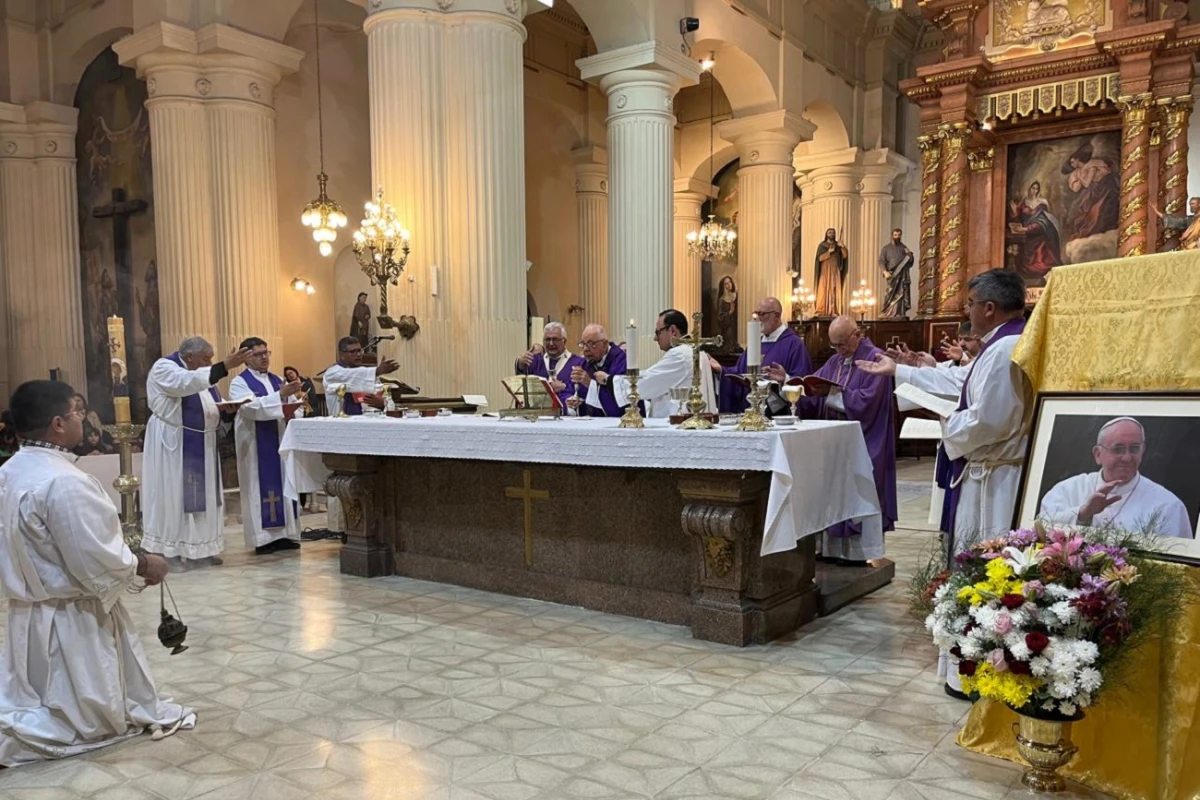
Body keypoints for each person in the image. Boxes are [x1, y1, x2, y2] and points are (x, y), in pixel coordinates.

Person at [0, 380, 194, 766]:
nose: (82, 419)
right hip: (74, 618)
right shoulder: (65, 481)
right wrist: (144, 563)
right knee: (85, 715)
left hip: (29, 612)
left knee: (33, 691)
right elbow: (93, 556)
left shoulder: (10, 471)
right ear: (57, 423)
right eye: (76, 412)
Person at [858, 269, 1032, 550]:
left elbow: (989, 422)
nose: (966, 311)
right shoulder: (1004, 343)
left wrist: (945, 420)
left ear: (989, 308)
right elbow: (961, 381)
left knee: (988, 557)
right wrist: (900, 370)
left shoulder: (1004, 350)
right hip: (993, 469)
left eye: (970, 304)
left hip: (996, 476)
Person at [781, 316, 896, 561]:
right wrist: (790, 383)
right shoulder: (835, 360)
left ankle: (857, 554)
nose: (838, 350)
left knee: (858, 488)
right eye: (834, 345)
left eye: (842, 344)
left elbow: (868, 401)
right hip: (834, 444)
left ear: (858, 334)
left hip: (864, 441)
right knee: (831, 489)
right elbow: (813, 388)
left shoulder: (876, 360)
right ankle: (831, 549)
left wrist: (832, 393)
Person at [142, 337, 252, 568]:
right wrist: (223, 366)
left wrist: (227, 411)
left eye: (211, 359)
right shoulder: (165, 368)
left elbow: (211, 403)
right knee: (174, 495)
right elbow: (185, 384)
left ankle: (202, 549)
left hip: (204, 442)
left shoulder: (202, 375)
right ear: (189, 356)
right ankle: (170, 550)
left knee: (208, 497)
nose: (209, 363)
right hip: (175, 443)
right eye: (206, 358)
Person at [1038, 417, 1193, 538]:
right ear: (1098, 455)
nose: (1127, 458)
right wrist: (1083, 514)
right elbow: (1039, 532)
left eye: (1134, 449)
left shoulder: (1168, 505)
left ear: (1143, 451)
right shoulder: (1066, 490)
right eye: (1118, 449)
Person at [229, 338, 307, 555]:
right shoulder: (239, 382)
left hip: (281, 439)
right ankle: (263, 539)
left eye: (266, 352)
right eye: (258, 354)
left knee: (285, 483)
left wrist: (294, 406)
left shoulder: (277, 379)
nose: (264, 357)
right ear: (246, 358)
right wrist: (280, 396)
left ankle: (286, 535)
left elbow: (295, 407)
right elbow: (249, 408)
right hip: (255, 442)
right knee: (257, 485)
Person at [713, 297, 812, 416]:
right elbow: (740, 372)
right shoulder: (756, 343)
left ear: (776, 315)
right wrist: (721, 370)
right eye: (756, 314)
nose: (758, 319)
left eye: (762, 314)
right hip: (751, 413)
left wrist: (785, 379)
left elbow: (803, 383)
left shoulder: (794, 344)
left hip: (779, 416)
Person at [610, 310, 715, 418]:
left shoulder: (680, 354)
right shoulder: (695, 352)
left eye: (658, 332)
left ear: (673, 331)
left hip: (678, 424)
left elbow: (649, 381)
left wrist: (610, 381)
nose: (655, 338)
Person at [514, 322, 585, 410]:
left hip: (567, 416)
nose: (551, 343)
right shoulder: (536, 361)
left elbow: (585, 390)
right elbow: (521, 382)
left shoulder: (578, 362)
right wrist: (521, 363)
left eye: (555, 339)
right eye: (547, 340)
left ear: (564, 341)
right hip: (538, 416)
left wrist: (564, 387)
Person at [323, 336, 400, 415]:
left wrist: (383, 403)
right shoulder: (332, 373)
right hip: (343, 423)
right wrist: (377, 371)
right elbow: (351, 376)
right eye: (353, 352)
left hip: (369, 423)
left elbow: (390, 404)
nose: (358, 354)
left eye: (360, 351)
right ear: (342, 354)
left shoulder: (367, 374)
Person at [1063, 144, 1119, 242]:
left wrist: (1079, 177)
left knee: (1094, 212)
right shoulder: (1083, 170)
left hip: (1103, 189)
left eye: (1072, 162)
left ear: (1078, 160)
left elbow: (1087, 184)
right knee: (1081, 211)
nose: (1072, 165)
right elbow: (1077, 188)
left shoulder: (1092, 166)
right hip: (1095, 191)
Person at [568, 324, 628, 417]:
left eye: (591, 344)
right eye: (583, 344)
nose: (585, 349)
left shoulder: (621, 361)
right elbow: (572, 390)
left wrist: (589, 384)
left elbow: (619, 403)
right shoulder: (584, 363)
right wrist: (574, 402)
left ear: (605, 344)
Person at [1008, 181, 1063, 276]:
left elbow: (1043, 221)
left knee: (1041, 263)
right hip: (1026, 235)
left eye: (1036, 188)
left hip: (1038, 234)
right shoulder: (1023, 203)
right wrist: (1014, 212)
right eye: (1032, 188)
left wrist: (1026, 229)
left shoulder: (1042, 203)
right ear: (1029, 189)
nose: (1034, 190)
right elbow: (1018, 220)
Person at [878, 228, 913, 319]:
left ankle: (899, 313)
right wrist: (885, 271)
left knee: (901, 293)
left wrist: (909, 254)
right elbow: (881, 261)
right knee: (890, 293)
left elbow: (910, 262)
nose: (897, 237)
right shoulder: (886, 248)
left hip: (902, 275)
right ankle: (887, 311)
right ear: (892, 236)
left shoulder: (904, 248)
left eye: (899, 235)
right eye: (895, 235)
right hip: (891, 275)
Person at [815, 228, 848, 316]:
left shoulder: (838, 246)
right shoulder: (822, 245)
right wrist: (829, 252)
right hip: (825, 269)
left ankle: (834, 310)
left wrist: (842, 246)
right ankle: (821, 310)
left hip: (835, 269)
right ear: (826, 234)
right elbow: (819, 258)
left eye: (833, 232)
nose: (831, 234)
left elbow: (844, 256)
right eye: (829, 232)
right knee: (823, 287)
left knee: (834, 288)